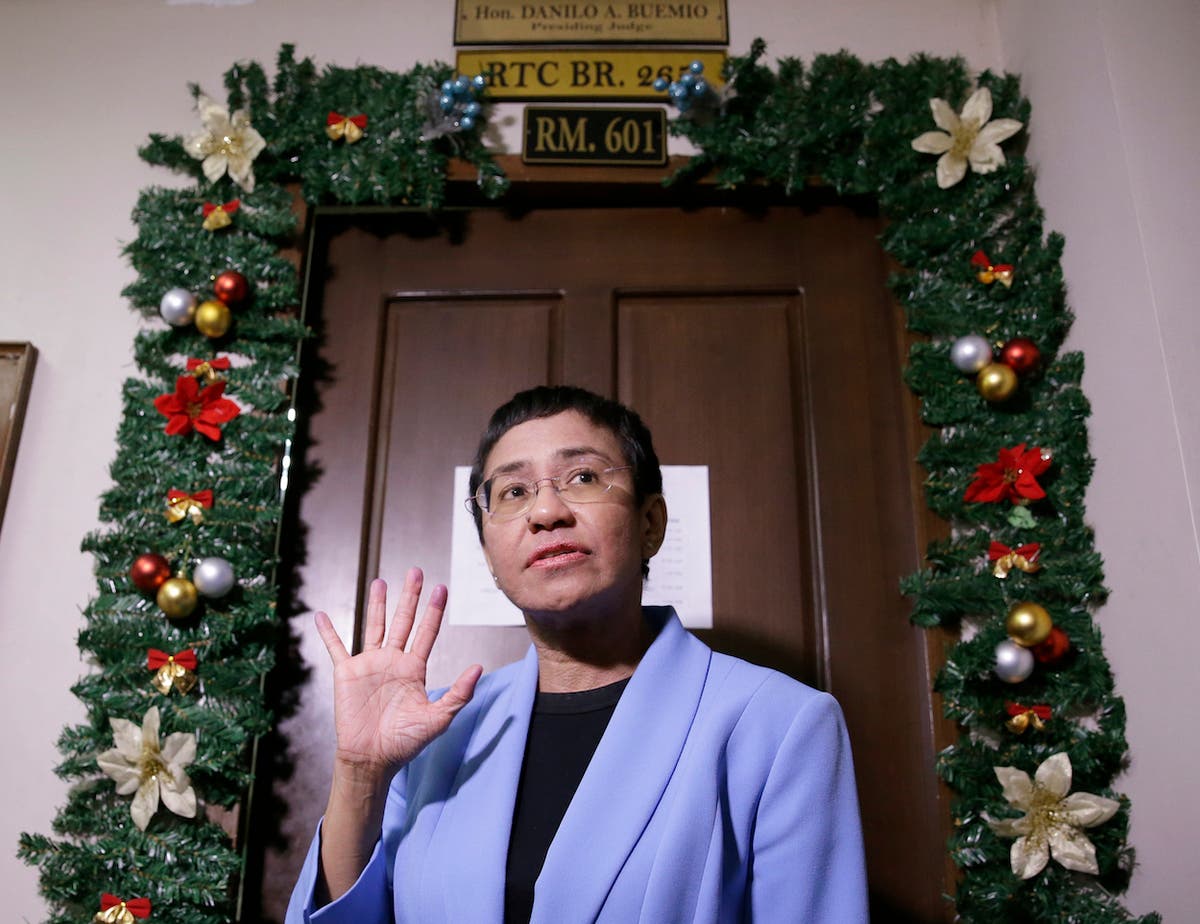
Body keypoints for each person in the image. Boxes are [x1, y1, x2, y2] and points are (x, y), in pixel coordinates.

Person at [286, 386, 868, 923]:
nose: (546, 512)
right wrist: (360, 774)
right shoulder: (434, 732)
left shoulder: (781, 723)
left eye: (583, 477)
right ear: (489, 555)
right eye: (514, 491)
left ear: (650, 524)